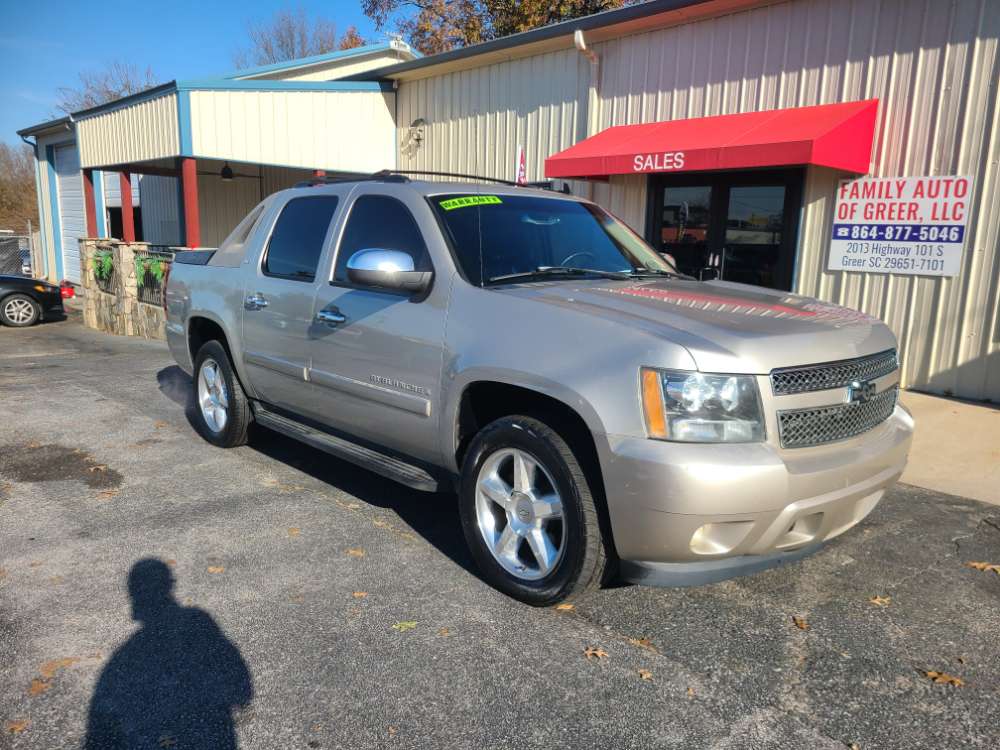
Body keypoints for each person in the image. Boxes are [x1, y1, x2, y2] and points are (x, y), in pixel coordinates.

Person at [83, 558, 253, 749]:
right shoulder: (201, 627)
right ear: (169, 586)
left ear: (135, 597)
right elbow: (240, 684)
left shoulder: (123, 661)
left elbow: (99, 733)